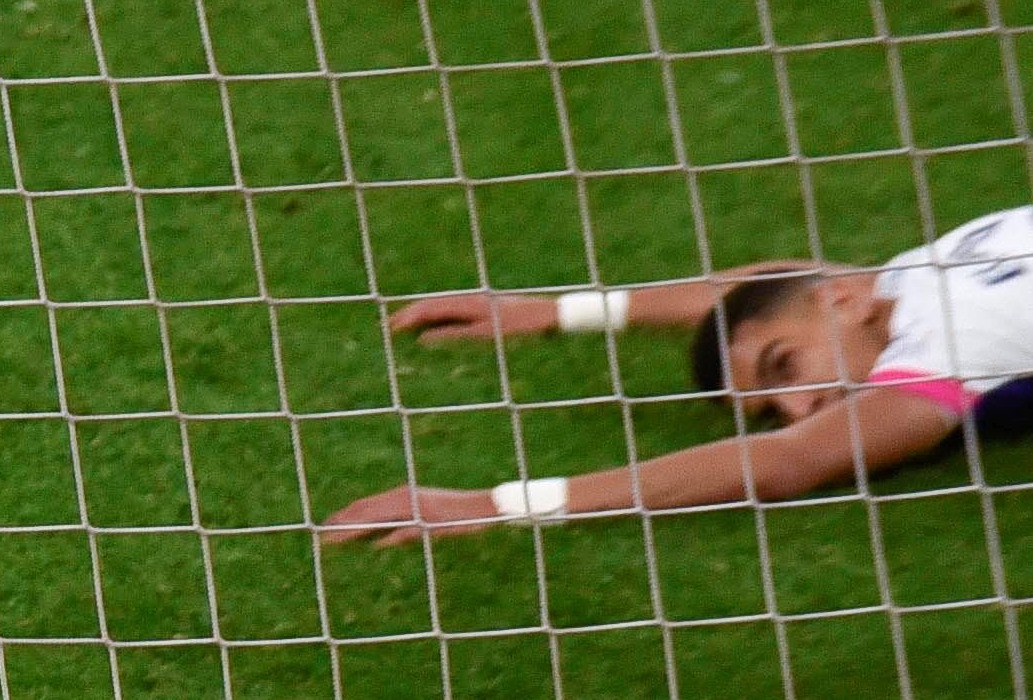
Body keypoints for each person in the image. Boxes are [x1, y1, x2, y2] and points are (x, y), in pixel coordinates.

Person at [321, 205, 1033, 544]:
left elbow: (788, 464)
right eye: (771, 404)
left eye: (783, 366)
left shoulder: (943, 335)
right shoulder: (897, 284)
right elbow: (778, 284)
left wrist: (494, 503)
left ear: (841, 302)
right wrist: (556, 312)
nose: (799, 406)